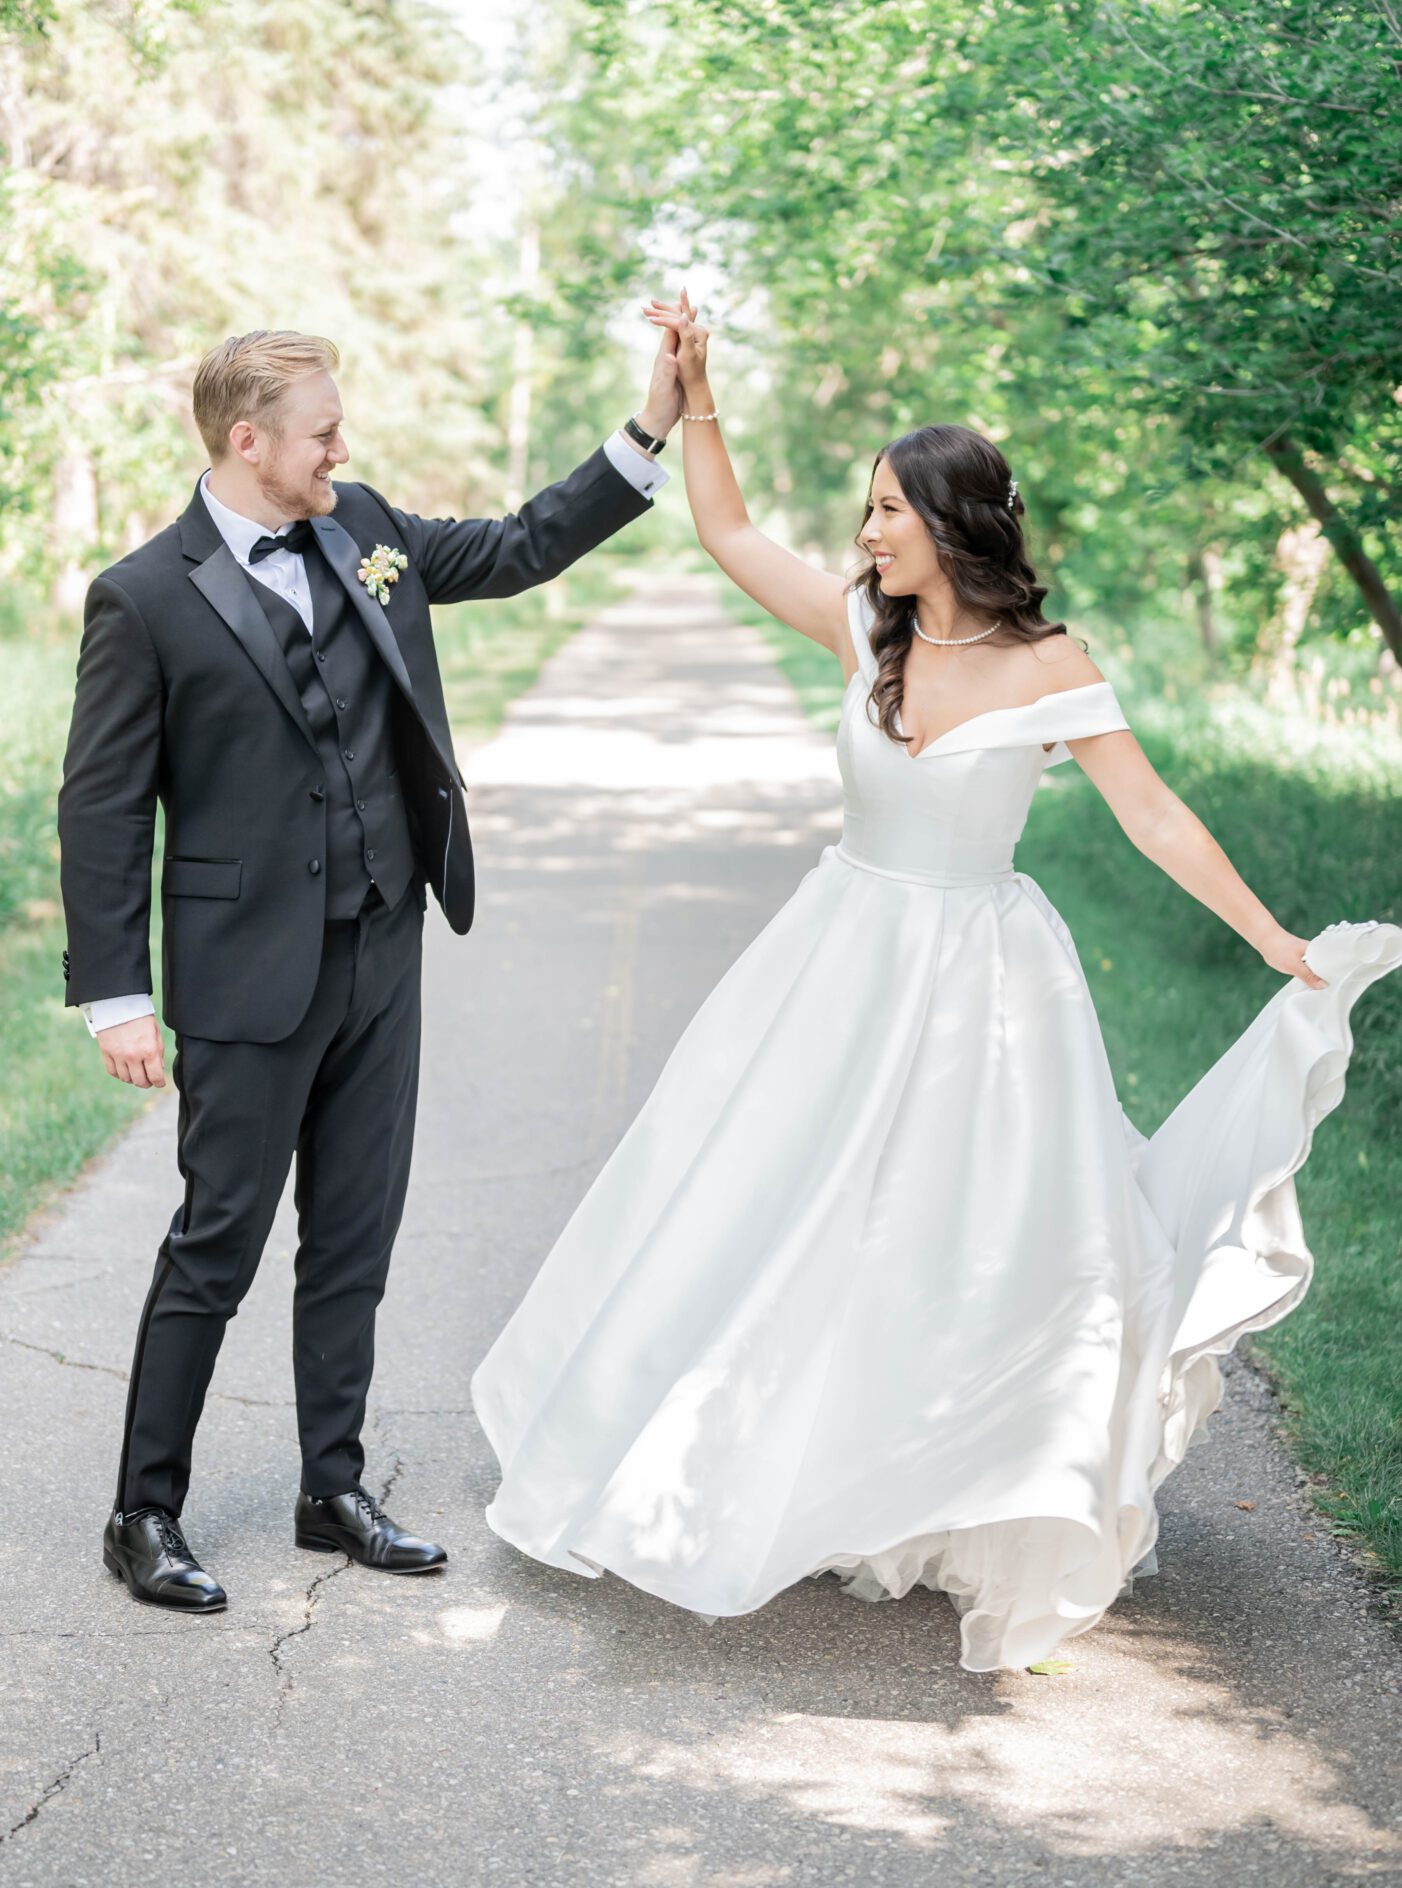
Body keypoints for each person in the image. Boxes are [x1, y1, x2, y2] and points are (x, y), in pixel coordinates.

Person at [469, 293, 1402, 1673]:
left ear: (953, 522)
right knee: (783, 1204)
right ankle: (756, 1454)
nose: (866, 534)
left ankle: (966, 1473)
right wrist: (695, 390)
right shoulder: (862, 628)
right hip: (838, 957)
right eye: (863, 513)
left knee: (971, 1233)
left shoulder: (1050, 666)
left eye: (888, 512)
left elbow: (1152, 818)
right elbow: (725, 533)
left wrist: (1271, 940)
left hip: (985, 981)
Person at [59, 326, 680, 1612]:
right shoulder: (145, 596)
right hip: (241, 973)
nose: (343, 448)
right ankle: (145, 1510)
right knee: (216, 1243)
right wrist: (118, 995)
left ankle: (329, 1486)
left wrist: (650, 424)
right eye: (322, 430)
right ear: (249, 442)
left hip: (381, 943)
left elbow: (517, 544)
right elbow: (103, 806)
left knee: (355, 1235)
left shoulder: (366, 528)